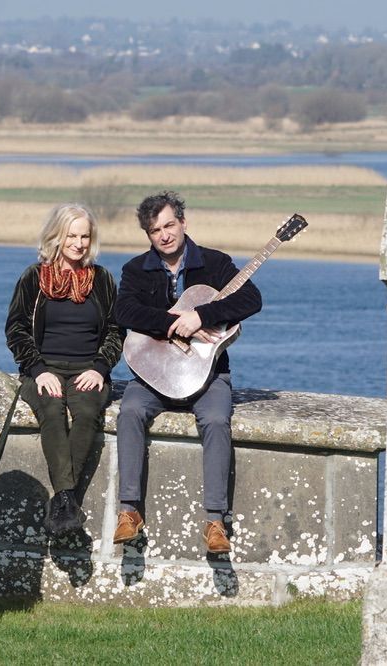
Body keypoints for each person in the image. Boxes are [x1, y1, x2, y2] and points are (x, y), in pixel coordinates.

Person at [112, 191, 262, 553]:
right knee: (129, 411)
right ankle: (129, 512)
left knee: (216, 420)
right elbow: (123, 312)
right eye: (155, 230)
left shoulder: (215, 263)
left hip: (208, 375)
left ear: (183, 222)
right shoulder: (136, 269)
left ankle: (215, 521)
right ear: (148, 235)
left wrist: (200, 316)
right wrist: (171, 322)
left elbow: (251, 299)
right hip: (152, 374)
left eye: (169, 225)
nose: (164, 235)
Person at [6, 203, 123, 537]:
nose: (79, 243)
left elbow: (116, 331)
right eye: (72, 235)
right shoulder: (33, 277)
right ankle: (67, 500)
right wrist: (39, 370)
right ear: (56, 236)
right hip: (43, 368)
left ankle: (61, 501)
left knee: (86, 412)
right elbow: (16, 329)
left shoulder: (102, 279)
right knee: (52, 409)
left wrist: (100, 368)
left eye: (85, 236)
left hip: (89, 369)